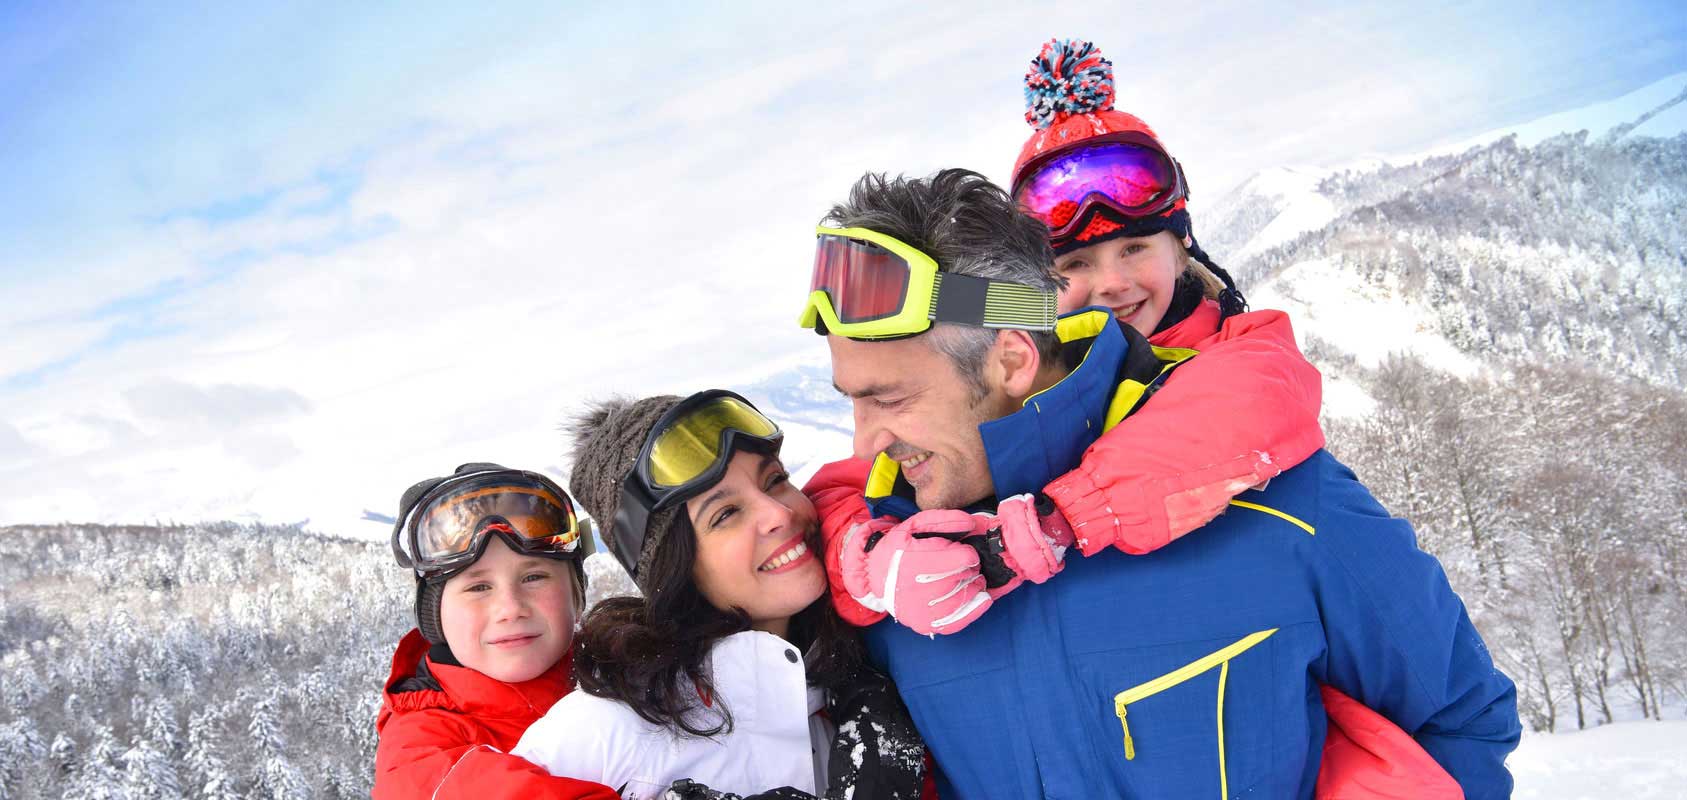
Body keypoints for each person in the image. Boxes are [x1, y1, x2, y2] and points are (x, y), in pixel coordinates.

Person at [795, 168, 1520, 798]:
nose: (866, 440)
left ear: (1011, 360)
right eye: (849, 399)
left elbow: (1453, 725)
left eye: (887, 400)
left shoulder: (1279, 507)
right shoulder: (895, 580)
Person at [510, 391, 927, 800]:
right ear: (674, 567)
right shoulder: (606, 731)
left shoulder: (855, 683)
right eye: (726, 514)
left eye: (776, 481)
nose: (778, 514)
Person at [372, 463, 618, 799]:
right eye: (479, 587)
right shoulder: (420, 746)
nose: (510, 608)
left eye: (534, 577)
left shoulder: (628, 671)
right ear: (435, 616)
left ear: (575, 595)